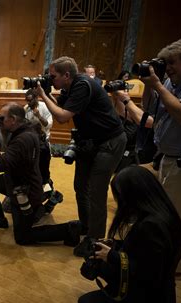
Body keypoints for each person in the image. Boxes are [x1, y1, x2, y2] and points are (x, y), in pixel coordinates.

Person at [114, 39, 181, 276]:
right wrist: (150, 84)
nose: (167, 68)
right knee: (162, 212)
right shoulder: (170, 82)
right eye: (164, 63)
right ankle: (161, 255)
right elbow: (150, 106)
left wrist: (159, 86)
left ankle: (176, 268)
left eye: (172, 63)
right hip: (164, 156)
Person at [34, 56, 127, 257]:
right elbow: (61, 108)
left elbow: (61, 116)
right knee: (80, 186)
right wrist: (48, 91)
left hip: (109, 141)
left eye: (53, 77)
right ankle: (87, 226)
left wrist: (42, 93)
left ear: (67, 75)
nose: (51, 80)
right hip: (90, 141)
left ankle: (96, 240)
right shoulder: (70, 87)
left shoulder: (83, 84)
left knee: (96, 191)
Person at [78, 166, 181, 303]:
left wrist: (111, 256)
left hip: (146, 302)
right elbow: (148, 254)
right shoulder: (164, 213)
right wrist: (116, 246)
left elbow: (147, 273)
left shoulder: (150, 226)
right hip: (160, 295)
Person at [0, 102, 81, 247]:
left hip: (26, 191)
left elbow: (0, 164)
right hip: (14, 181)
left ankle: (67, 229)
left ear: (13, 119)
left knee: (23, 237)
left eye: (2, 118)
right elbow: (5, 149)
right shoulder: (23, 130)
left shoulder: (23, 139)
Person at [23, 89, 63, 213]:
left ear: (37, 97)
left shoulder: (45, 107)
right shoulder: (26, 108)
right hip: (31, 144)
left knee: (42, 173)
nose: (29, 103)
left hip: (42, 145)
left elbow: (48, 125)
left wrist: (38, 116)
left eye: (31, 100)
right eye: (27, 100)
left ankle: (51, 194)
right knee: (32, 173)